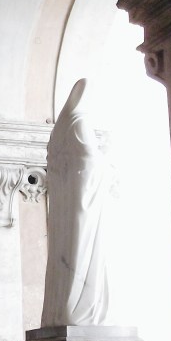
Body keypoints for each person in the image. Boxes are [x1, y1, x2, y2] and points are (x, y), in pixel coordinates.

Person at [41, 78, 110, 326]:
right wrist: (106, 160)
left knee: (68, 253)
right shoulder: (79, 123)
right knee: (83, 250)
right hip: (83, 203)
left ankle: (66, 310)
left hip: (69, 205)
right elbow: (89, 161)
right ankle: (80, 310)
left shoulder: (62, 129)